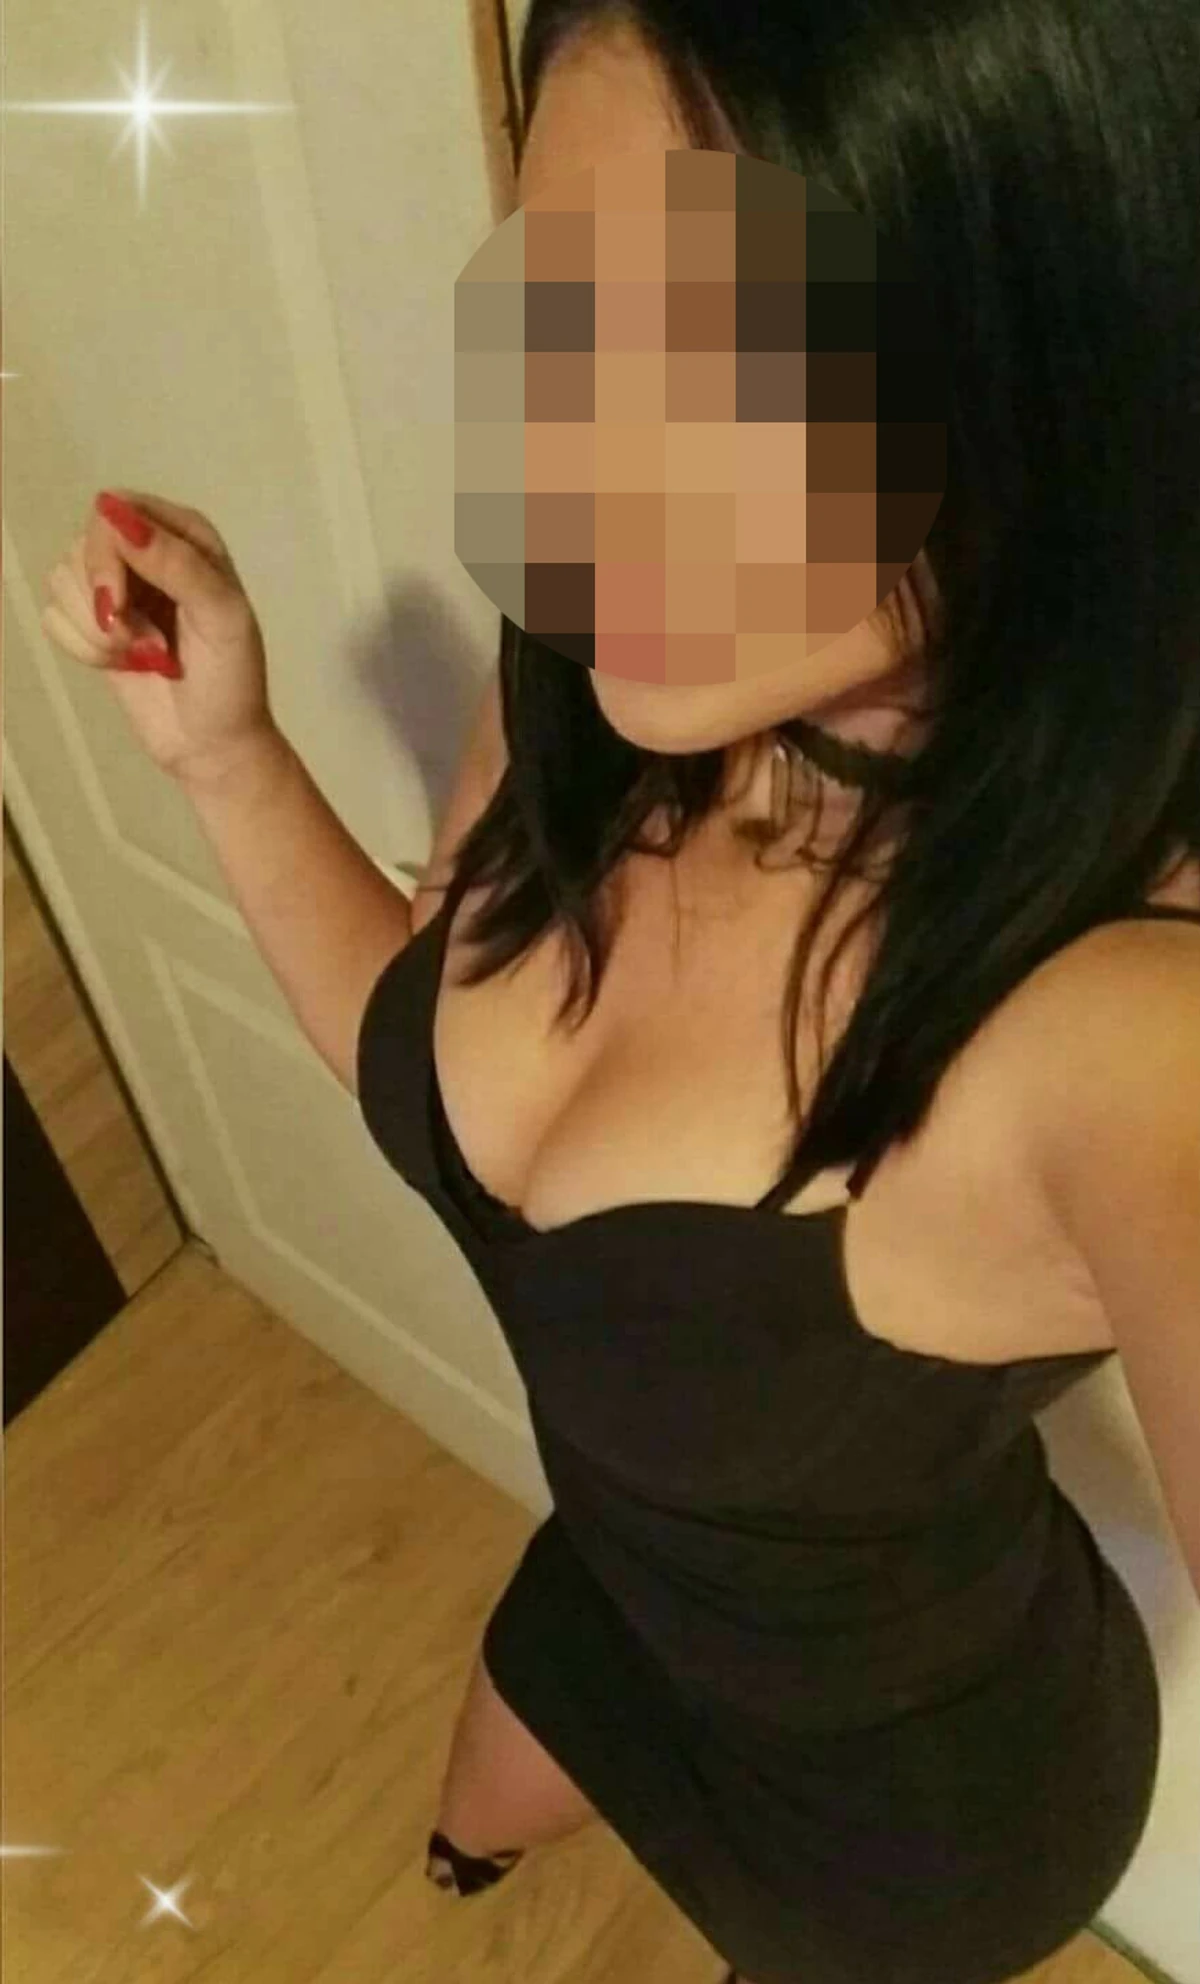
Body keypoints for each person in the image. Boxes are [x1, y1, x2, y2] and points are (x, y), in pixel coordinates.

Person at [41, 2, 1200, 1980]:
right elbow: (422, 1043)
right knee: (478, 1785)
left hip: (914, 1816)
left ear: (1074, 361)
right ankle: (460, 1866)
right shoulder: (599, 672)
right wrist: (227, 755)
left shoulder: (1121, 1023)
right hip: (621, 1584)